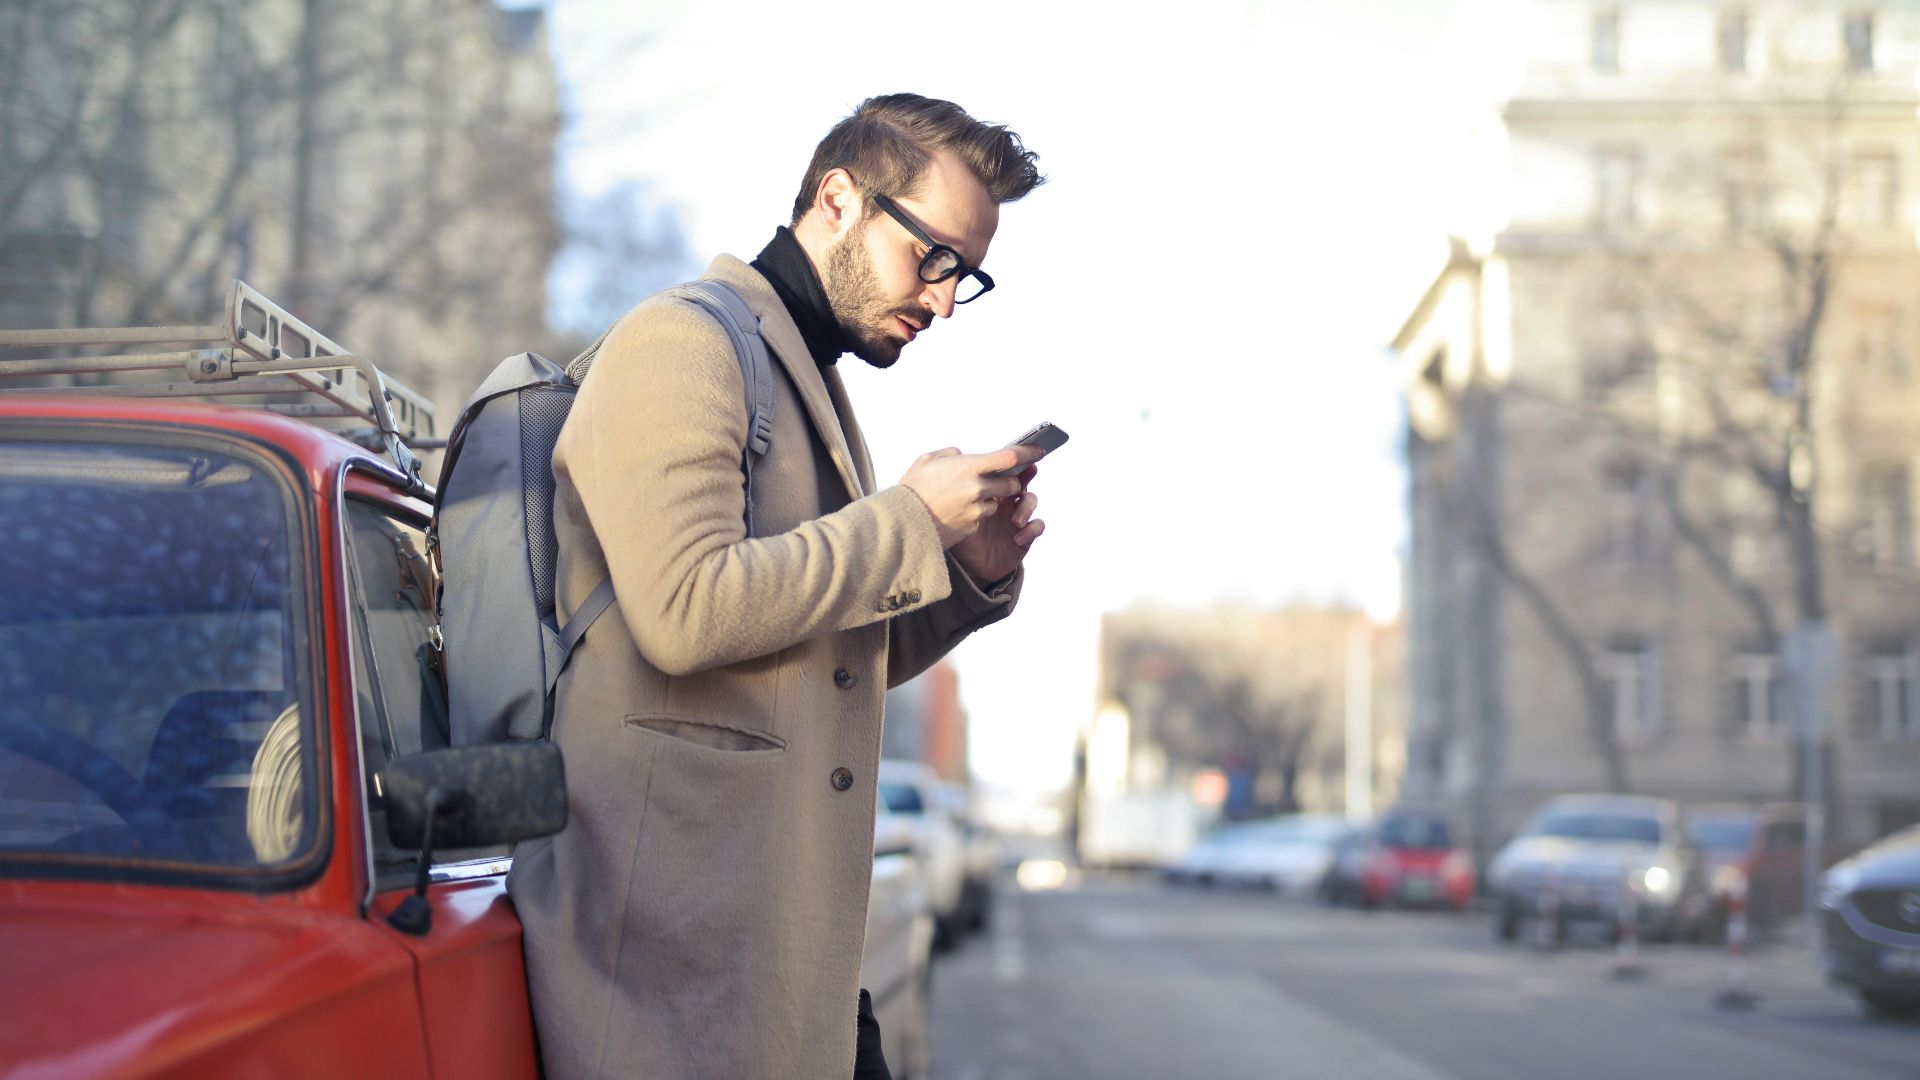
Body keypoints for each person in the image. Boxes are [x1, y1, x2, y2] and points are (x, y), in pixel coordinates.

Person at [506, 93, 1047, 1079]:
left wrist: (962, 579)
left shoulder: (802, 379)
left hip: (778, 971)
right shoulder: (684, 342)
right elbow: (686, 608)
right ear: (838, 199)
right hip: (666, 985)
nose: (939, 301)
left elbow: (813, 662)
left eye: (965, 278)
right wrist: (909, 522)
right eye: (931, 257)